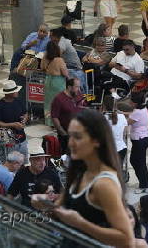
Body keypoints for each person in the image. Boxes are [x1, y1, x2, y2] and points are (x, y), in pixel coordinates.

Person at [32, 109, 135, 247]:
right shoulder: (81, 170)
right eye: (70, 136)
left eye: (78, 137)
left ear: (96, 140)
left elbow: (126, 239)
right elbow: (64, 209)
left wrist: (81, 223)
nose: (70, 143)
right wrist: (46, 204)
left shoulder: (104, 184)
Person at [0, 80, 29, 162]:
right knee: (11, 164)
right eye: (15, 91)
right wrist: (13, 124)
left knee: (23, 163)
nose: (17, 92)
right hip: (8, 142)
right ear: (9, 93)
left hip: (22, 139)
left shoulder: (19, 101)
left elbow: (25, 113)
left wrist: (24, 119)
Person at [51, 78, 86, 154]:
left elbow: (83, 106)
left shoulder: (79, 94)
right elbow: (54, 117)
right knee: (68, 157)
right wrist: (63, 133)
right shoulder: (58, 99)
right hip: (67, 134)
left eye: (79, 87)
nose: (78, 89)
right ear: (69, 87)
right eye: (76, 87)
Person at [128, 91, 148, 194]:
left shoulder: (136, 112)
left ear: (135, 103)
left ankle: (144, 185)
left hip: (140, 141)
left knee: (138, 162)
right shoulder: (142, 109)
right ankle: (147, 181)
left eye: (131, 100)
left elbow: (127, 122)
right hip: (143, 139)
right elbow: (131, 116)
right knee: (137, 161)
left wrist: (119, 115)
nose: (129, 102)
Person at [50, 28, 87, 94]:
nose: (49, 37)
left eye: (50, 36)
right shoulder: (57, 42)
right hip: (68, 65)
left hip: (73, 68)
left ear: (55, 36)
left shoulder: (62, 42)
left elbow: (58, 55)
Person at [41, 41, 69, 126]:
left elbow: (42, 67)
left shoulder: (45, 57)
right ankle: (58, 122)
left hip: (48, 80)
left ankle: (49, 122)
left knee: (48, 103)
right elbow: (65, 73)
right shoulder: (59, 60)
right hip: (58, 82)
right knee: (59, 103)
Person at [102, 95, 128, 164]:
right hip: (121, 150)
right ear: (115, 106)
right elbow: (124, 134)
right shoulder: (122, 117)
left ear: (104, 106)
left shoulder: (101, 119)